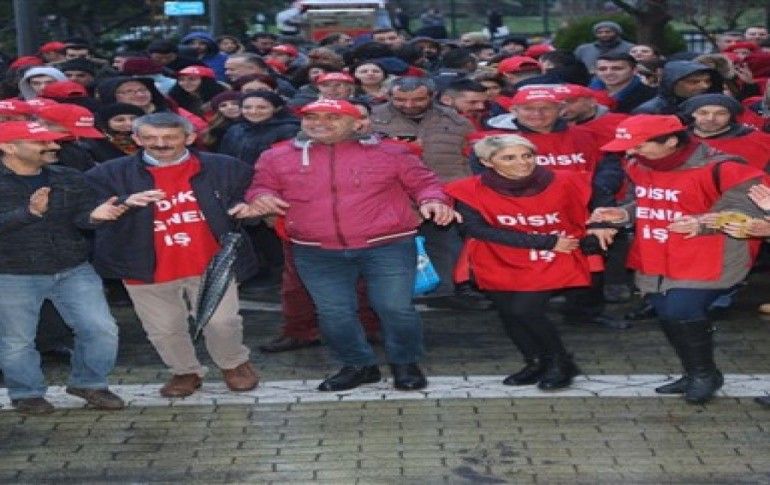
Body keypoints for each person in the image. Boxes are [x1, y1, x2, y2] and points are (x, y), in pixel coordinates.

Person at [245, 98, 457, 392]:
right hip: (315, 249)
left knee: (395, 308)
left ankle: (405, 363)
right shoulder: (276, 156)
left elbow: (426, 183)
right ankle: (358, 365)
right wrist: (261, 198)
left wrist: (433, 200)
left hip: (387, 245)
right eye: (312, 117)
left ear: (357, 123)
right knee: (334, 313)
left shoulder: (392, 152)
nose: (319, 123)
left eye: (332, 117)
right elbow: (260, 186)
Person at [593, 114, 767, 404]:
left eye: (639, 145)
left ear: (671, 142)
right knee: (667, 312)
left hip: (709, 254)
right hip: (656, 252)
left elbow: (752, 211)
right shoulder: (637, 164)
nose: (631, 152)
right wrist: (623, 214)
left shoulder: (724, 168)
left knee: (680, 310)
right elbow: (646, 200)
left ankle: (704, 374)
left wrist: (702, 223)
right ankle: (696, 371)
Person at [85, 113, 260, 398]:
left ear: (189, 138)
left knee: (222, 321)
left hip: (211, 261)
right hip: (143, 264)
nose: (160, 144)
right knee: (164, 327)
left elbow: (251, 197)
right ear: (136, 139)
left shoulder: (225, 166)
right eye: (150, 138)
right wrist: (118, 206)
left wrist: (250, 209)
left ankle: (234, 363)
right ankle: (184, 370)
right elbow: (85, 213)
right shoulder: (107, 174)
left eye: (170, 137)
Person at [446, 134, 602, 389]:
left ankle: (561, 362)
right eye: (509, 158)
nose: (523, 162)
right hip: (498, 257)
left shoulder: (568, 179)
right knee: (508, 313)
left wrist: (599, 227)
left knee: (525, 310)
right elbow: (475, 229)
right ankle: (535, 362)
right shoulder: (468, 189)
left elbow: (600, 205)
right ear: (487, 162)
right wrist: (544, 241)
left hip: (555, 254)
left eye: (527, 155)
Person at [0, 121, 130, 414]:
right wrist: (28, 213)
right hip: (12, 273)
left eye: (52, 140)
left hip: (73, 268)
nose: (54, 146)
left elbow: (82, 218)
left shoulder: (68, 176)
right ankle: (26, 393)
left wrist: (96, 216)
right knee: (17, 341)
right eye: (41, 142)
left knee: (101, 329)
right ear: (8, 147)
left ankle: (89, 383)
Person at [370, 77, 486, 310]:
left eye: (417, 99)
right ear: (389, 96)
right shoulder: (372, 119)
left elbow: (470, 157)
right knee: (391, 250)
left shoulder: (456, 120)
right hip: (390, 195)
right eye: (400, 99)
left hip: (446, 193)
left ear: (432, 96)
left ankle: (446, 291)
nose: (409, 105)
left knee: (446, 244)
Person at [680, 93, 770, 171]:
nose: (710, 118)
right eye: (703, 113)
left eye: (721, 113)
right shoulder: (677, 139)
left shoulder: (760, 141)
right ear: (692, 114)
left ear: (730, 115)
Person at [220, 91, 300, 165]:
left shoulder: (289, 130)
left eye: (262, 107)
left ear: (276, 109)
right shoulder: (235, 129)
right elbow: (224, 158)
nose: (253, 112)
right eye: (247, 107)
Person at [633, 60, 723, 114]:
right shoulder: (650, 111)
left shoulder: (714, 104)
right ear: (672, 83)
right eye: (694, 82)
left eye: (708, 81)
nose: (705, 86)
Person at [591, 53, 657, 113]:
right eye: (602, 69)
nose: (608, 73)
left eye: (617, 68)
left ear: (634, 70)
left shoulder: (651, 97)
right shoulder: (589, 95)